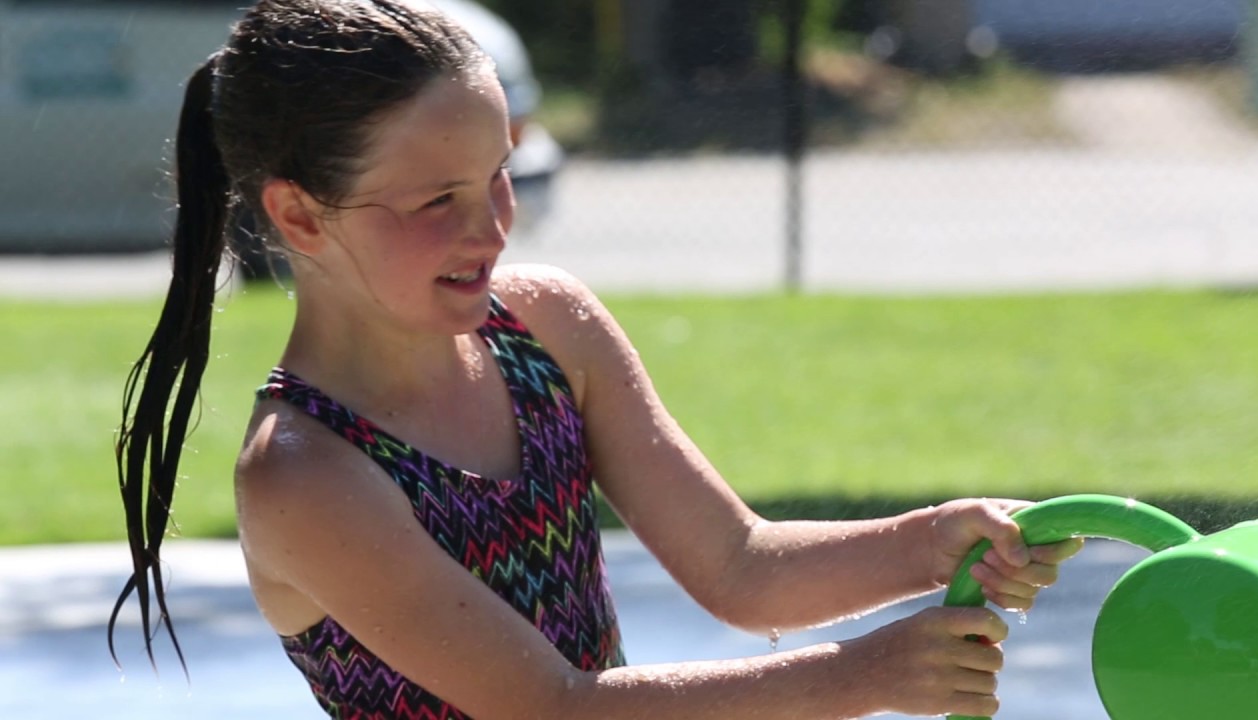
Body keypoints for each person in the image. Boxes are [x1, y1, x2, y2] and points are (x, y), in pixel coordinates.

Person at [111, 1, 1083, 718]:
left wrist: (932, 542)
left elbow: (741, 570)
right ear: (295, 214)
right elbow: (557, 708)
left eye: (497, 177)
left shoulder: (545, 328)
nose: (486, 227)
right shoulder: (305, 475)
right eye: (432, 202)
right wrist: (860, 675)